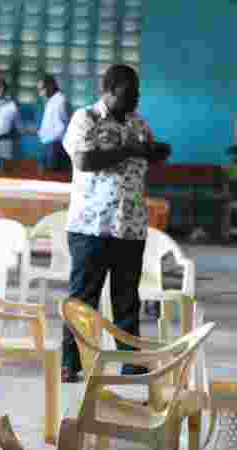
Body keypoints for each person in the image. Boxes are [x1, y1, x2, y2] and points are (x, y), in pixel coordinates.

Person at [59, 64, 171, 383]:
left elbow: (149, 150)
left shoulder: (137, 122)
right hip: (92, 226)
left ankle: (129, 361)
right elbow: (83, 160)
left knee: (126, 298)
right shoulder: (86, 119)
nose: (135, 98)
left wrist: (156, 151)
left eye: (137, 93)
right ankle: (71, 362)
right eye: (128, 93)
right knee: (83, 299)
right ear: (109, 91)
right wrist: (128, 151)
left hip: (130, 225)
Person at [38, 75, 71, 173]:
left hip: (55, 147)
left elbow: (62, 129)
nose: (40, 93)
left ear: (51, 86)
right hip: (49, 146)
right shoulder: (51, 101)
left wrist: (46, 138)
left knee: (52, 178)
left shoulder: (60, 102)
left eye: (41, 89)